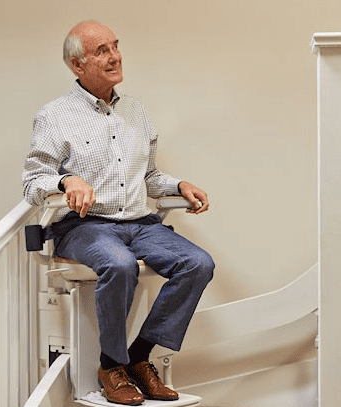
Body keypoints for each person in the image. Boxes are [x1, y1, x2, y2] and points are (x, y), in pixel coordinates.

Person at [23, 20, 214, 405]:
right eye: (102, 51)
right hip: (85, 226)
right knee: (120, 264)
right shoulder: (55, 115)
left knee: (198, 263)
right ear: (78, 65)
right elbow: (32, 182)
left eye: (115, 46)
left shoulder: (138, 113)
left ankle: (138, 358)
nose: (115, 56)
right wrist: (66, 182)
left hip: (140, 223)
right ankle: (111, 365)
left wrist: (178, 186)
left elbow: (149, 176)